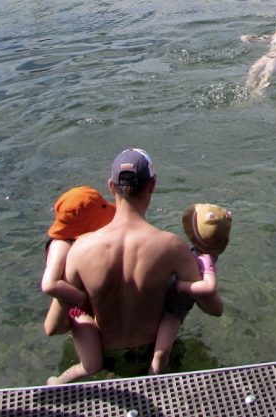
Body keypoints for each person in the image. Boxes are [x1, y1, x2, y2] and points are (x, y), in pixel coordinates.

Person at [54, 149, 212, 384]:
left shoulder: (80, 249)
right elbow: (210, 306)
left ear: (111, 186)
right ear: (152, 185)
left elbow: (57, 324)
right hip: (153, 358)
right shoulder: (170, 246)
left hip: (101, 358)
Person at [41, 186, 115, 382]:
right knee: (92, 365)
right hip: (75, 311)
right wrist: (82, 298)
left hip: (87, 306)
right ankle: (58, 382)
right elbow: (49, 284)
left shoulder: (85, 241)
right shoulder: (61, 246)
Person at [150, 203, 231, 375]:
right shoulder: (204, 257)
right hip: (173, 306)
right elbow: (209, 288)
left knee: (162, 349)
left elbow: (209, 287)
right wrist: (180, 285)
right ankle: (154, 374)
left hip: (170, 306)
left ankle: (153, 375)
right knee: (161, 349)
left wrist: (180, 285)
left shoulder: (200, 256)